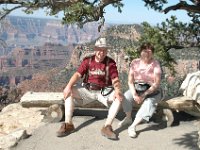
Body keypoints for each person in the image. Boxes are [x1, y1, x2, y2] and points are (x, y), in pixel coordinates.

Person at [56, 37, 123, 140]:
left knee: (118, 98)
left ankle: (107, 126)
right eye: (99, 49)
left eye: (104, 50)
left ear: (106, 51)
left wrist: (117, 90)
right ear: (95, 49)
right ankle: (68, 124)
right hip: (87, 91)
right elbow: (78, 75)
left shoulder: (110, 63)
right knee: (69, 91)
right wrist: (68, 86)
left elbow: (115, 79)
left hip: (103, 92)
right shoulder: (88, 61)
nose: (101, 52)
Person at [118, 42, 162, 138]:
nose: (147, 53)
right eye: (144, 51)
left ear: (153, 53)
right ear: (140, 52)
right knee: (126, 96)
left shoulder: (155, 64)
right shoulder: (135, 62)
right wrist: (134, 94)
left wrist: (143, 95)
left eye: (149, 51)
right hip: (137, 88)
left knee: (149, 103)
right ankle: (128, 118)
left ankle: (132, 126)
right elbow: (130, 81)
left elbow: (156, 84)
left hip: (152, 90)